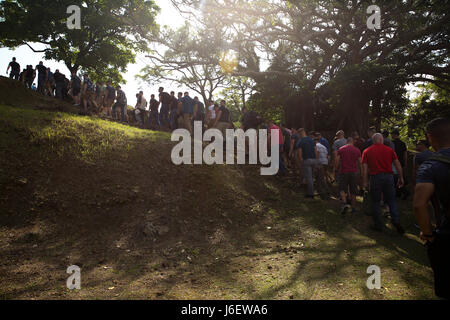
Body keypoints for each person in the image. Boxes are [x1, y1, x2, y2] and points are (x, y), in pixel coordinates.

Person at [413, 118, 450, 299]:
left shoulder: (430, 166)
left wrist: (428, 234)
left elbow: (420, 204)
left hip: (446, 236)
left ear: (430, 137)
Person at [362, 133, 405, 234]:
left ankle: (378, 225)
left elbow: (364, 169)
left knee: (376, 201)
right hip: (389, 177)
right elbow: (397, 164)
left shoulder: (367, 151)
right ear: (382, 140)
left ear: (373, 140)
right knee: (391, 200)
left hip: (375, 177)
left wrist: (364, 181)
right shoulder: (389, 150)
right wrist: (401, 177)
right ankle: (396, 220)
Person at [336, 137, 362, 214]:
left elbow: (337, 160)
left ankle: (344, 203)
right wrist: (361, 172)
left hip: (343, 171)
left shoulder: (341, 149)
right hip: (354, 172)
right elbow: (360, 162)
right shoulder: (357, 150)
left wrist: (335, 169)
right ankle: (353, 209)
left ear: (346, 142)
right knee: (353, 190)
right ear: (352, 142)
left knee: (341, 189)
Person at [296, 129, 319, 198]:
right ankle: (313, 190)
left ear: (300, 133)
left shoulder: (301, 141)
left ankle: (310, 194)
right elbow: (316, 150)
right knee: (311, 176)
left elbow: (299, 154)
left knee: (309, 178)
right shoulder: (312, 140)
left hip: (306, 160)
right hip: (314, 160)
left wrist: (300, 162)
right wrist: (316, 160)